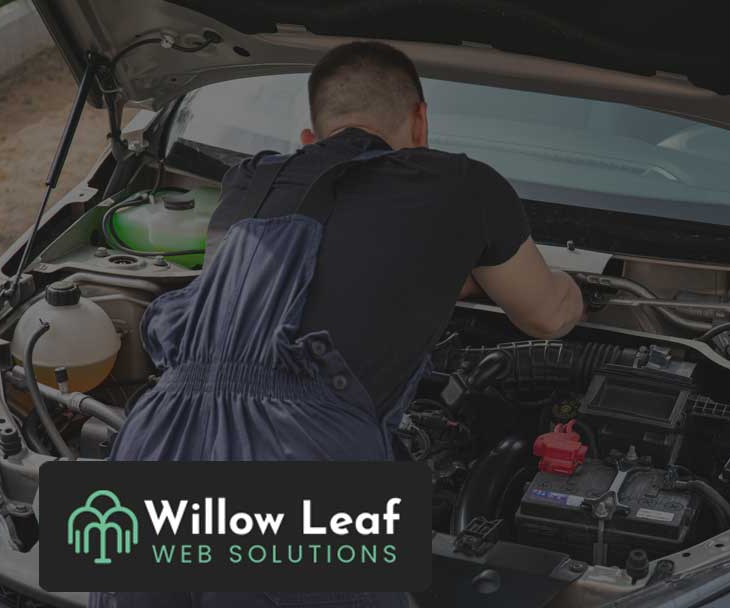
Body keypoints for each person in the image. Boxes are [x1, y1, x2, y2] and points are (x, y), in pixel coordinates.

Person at [92, 41, 583, 608]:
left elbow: (296, 277)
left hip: (153, 439)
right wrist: (579, 295)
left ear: (310, 141)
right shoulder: (463, 184)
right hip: (295, 459)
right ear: (421, 123)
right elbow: (546, 316)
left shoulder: (252, 180)